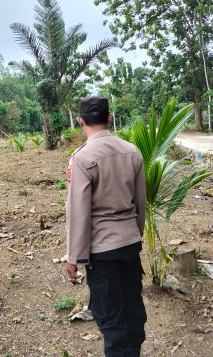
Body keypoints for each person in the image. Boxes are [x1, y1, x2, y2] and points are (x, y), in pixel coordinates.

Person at [65, 97, 147, 357]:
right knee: (133, 308)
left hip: (103, 250)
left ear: (80, 122)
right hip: (130, 242)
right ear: (109, 117)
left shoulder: (81, 158)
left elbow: (79, 212)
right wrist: (136, 233)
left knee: (110, 316)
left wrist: (73, 258)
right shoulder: (132, 151)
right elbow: (140, 202)